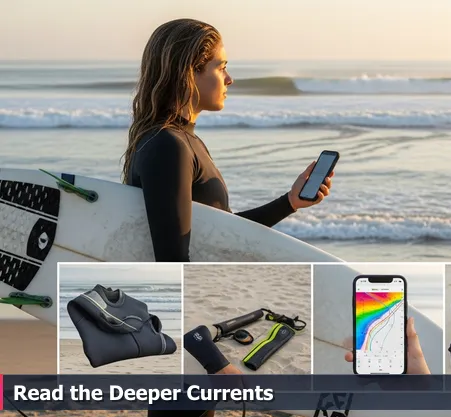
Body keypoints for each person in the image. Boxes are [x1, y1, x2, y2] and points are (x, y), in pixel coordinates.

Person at [122, 18, 333, 263]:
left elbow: (221, 231)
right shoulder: (168, 146)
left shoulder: (182, 142)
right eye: (220, 67)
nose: (229, 79)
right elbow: (172, 261)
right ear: (190, 71)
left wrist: (289, 202)